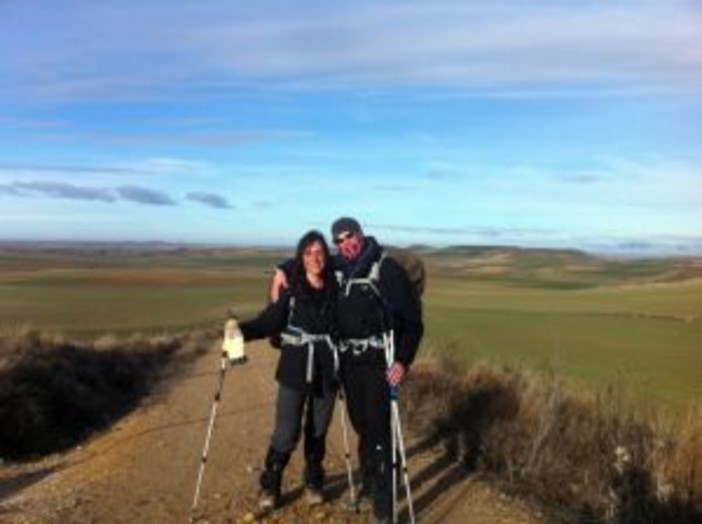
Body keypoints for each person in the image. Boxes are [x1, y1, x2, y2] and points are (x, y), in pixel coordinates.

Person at [272, 217, 423, 523]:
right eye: (338, 240)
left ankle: (384, 508)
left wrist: (403, 360)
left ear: (361, 233)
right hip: (350, 365)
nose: (344, 244)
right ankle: (368, 488)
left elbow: (413, 323)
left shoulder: (387, 269)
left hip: (380, 362)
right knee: (362, 427)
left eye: (349, 236)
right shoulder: (338, 266)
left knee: (380, 433)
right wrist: (282, 268)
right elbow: (308, 262)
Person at [234, 230, 339, 510]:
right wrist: (239, 331)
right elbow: (269, 322)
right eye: (308, 253)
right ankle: (270, 485)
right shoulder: (291, 292)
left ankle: (313, 480)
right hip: (294, 370)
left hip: (327, 372)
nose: (315, 258)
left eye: (320, 252)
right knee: (286, 431)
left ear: (327, 255)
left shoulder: (337, 286)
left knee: (318, 431)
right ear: (300, 258)